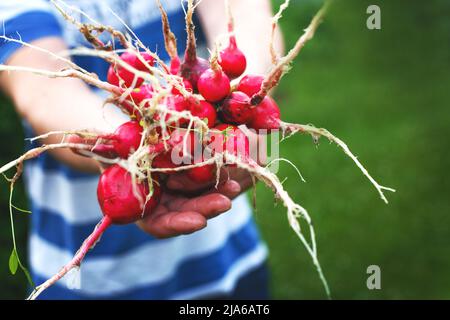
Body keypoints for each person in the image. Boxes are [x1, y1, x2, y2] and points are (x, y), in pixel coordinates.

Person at [0, 0, 283, 299]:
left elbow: (244, 15)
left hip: (224, 258)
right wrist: (140, 146)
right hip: (90, 282)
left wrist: (239, 98)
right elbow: (44, 92)